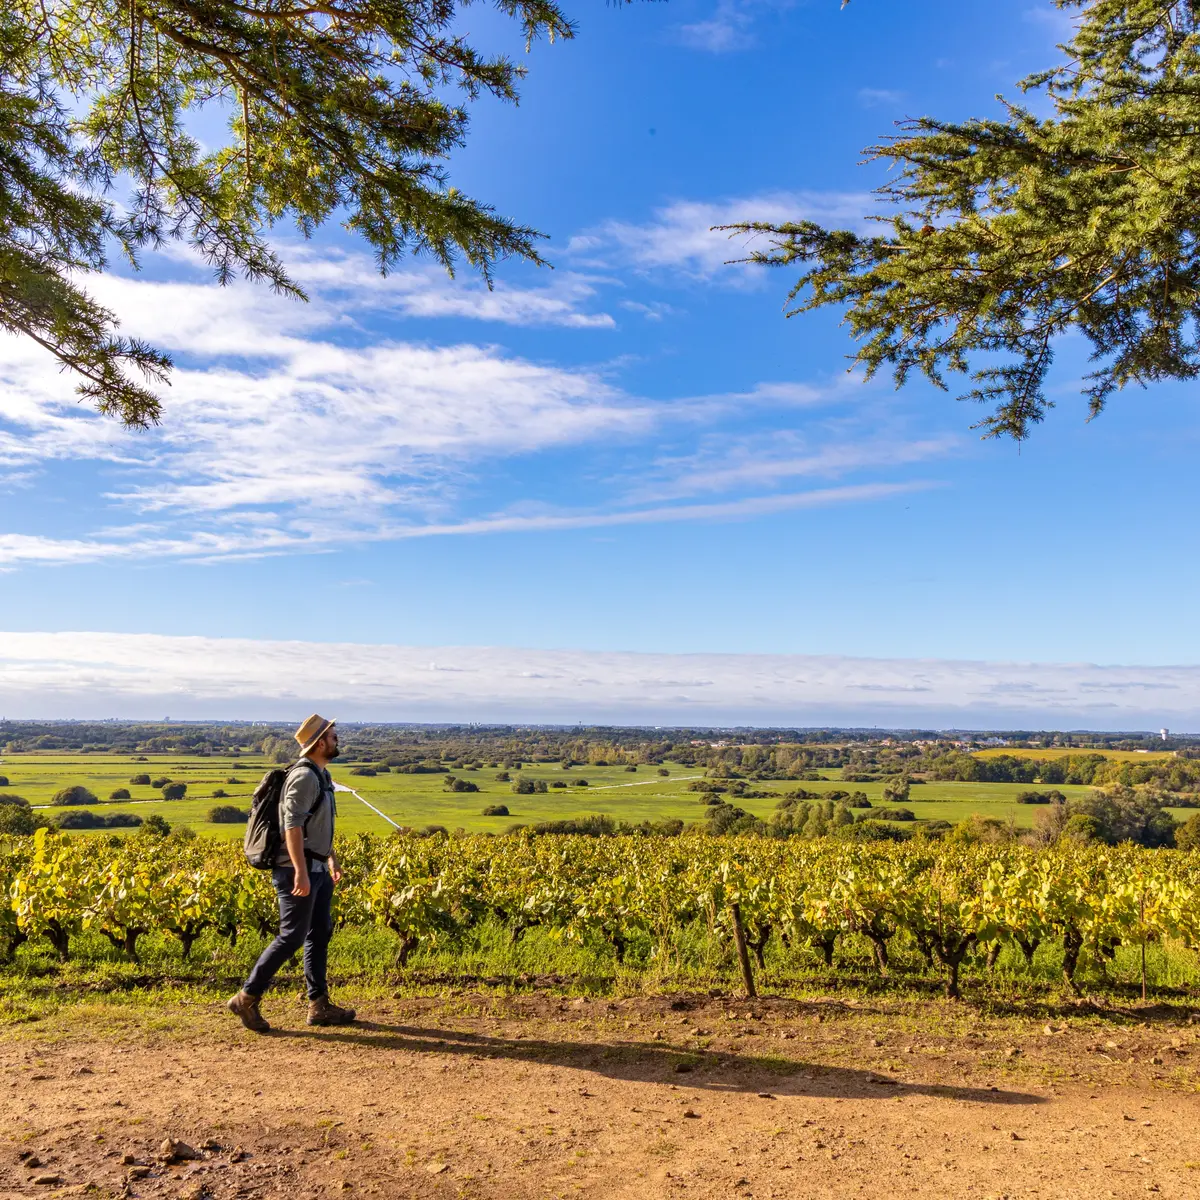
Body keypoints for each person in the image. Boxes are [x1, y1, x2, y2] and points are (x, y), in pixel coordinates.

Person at [227, 714, 357, 1032]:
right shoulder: (304, 777)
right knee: (292, 937)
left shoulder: (321, 774)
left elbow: (318, 825)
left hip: (316, 868)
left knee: (319, 932)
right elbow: (292, 826)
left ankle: (319, 1005)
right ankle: (246, 998)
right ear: (320, 743)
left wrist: (330, 858)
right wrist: (300, 871)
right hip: (296, 870)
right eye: (333, 735)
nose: (337, 739)